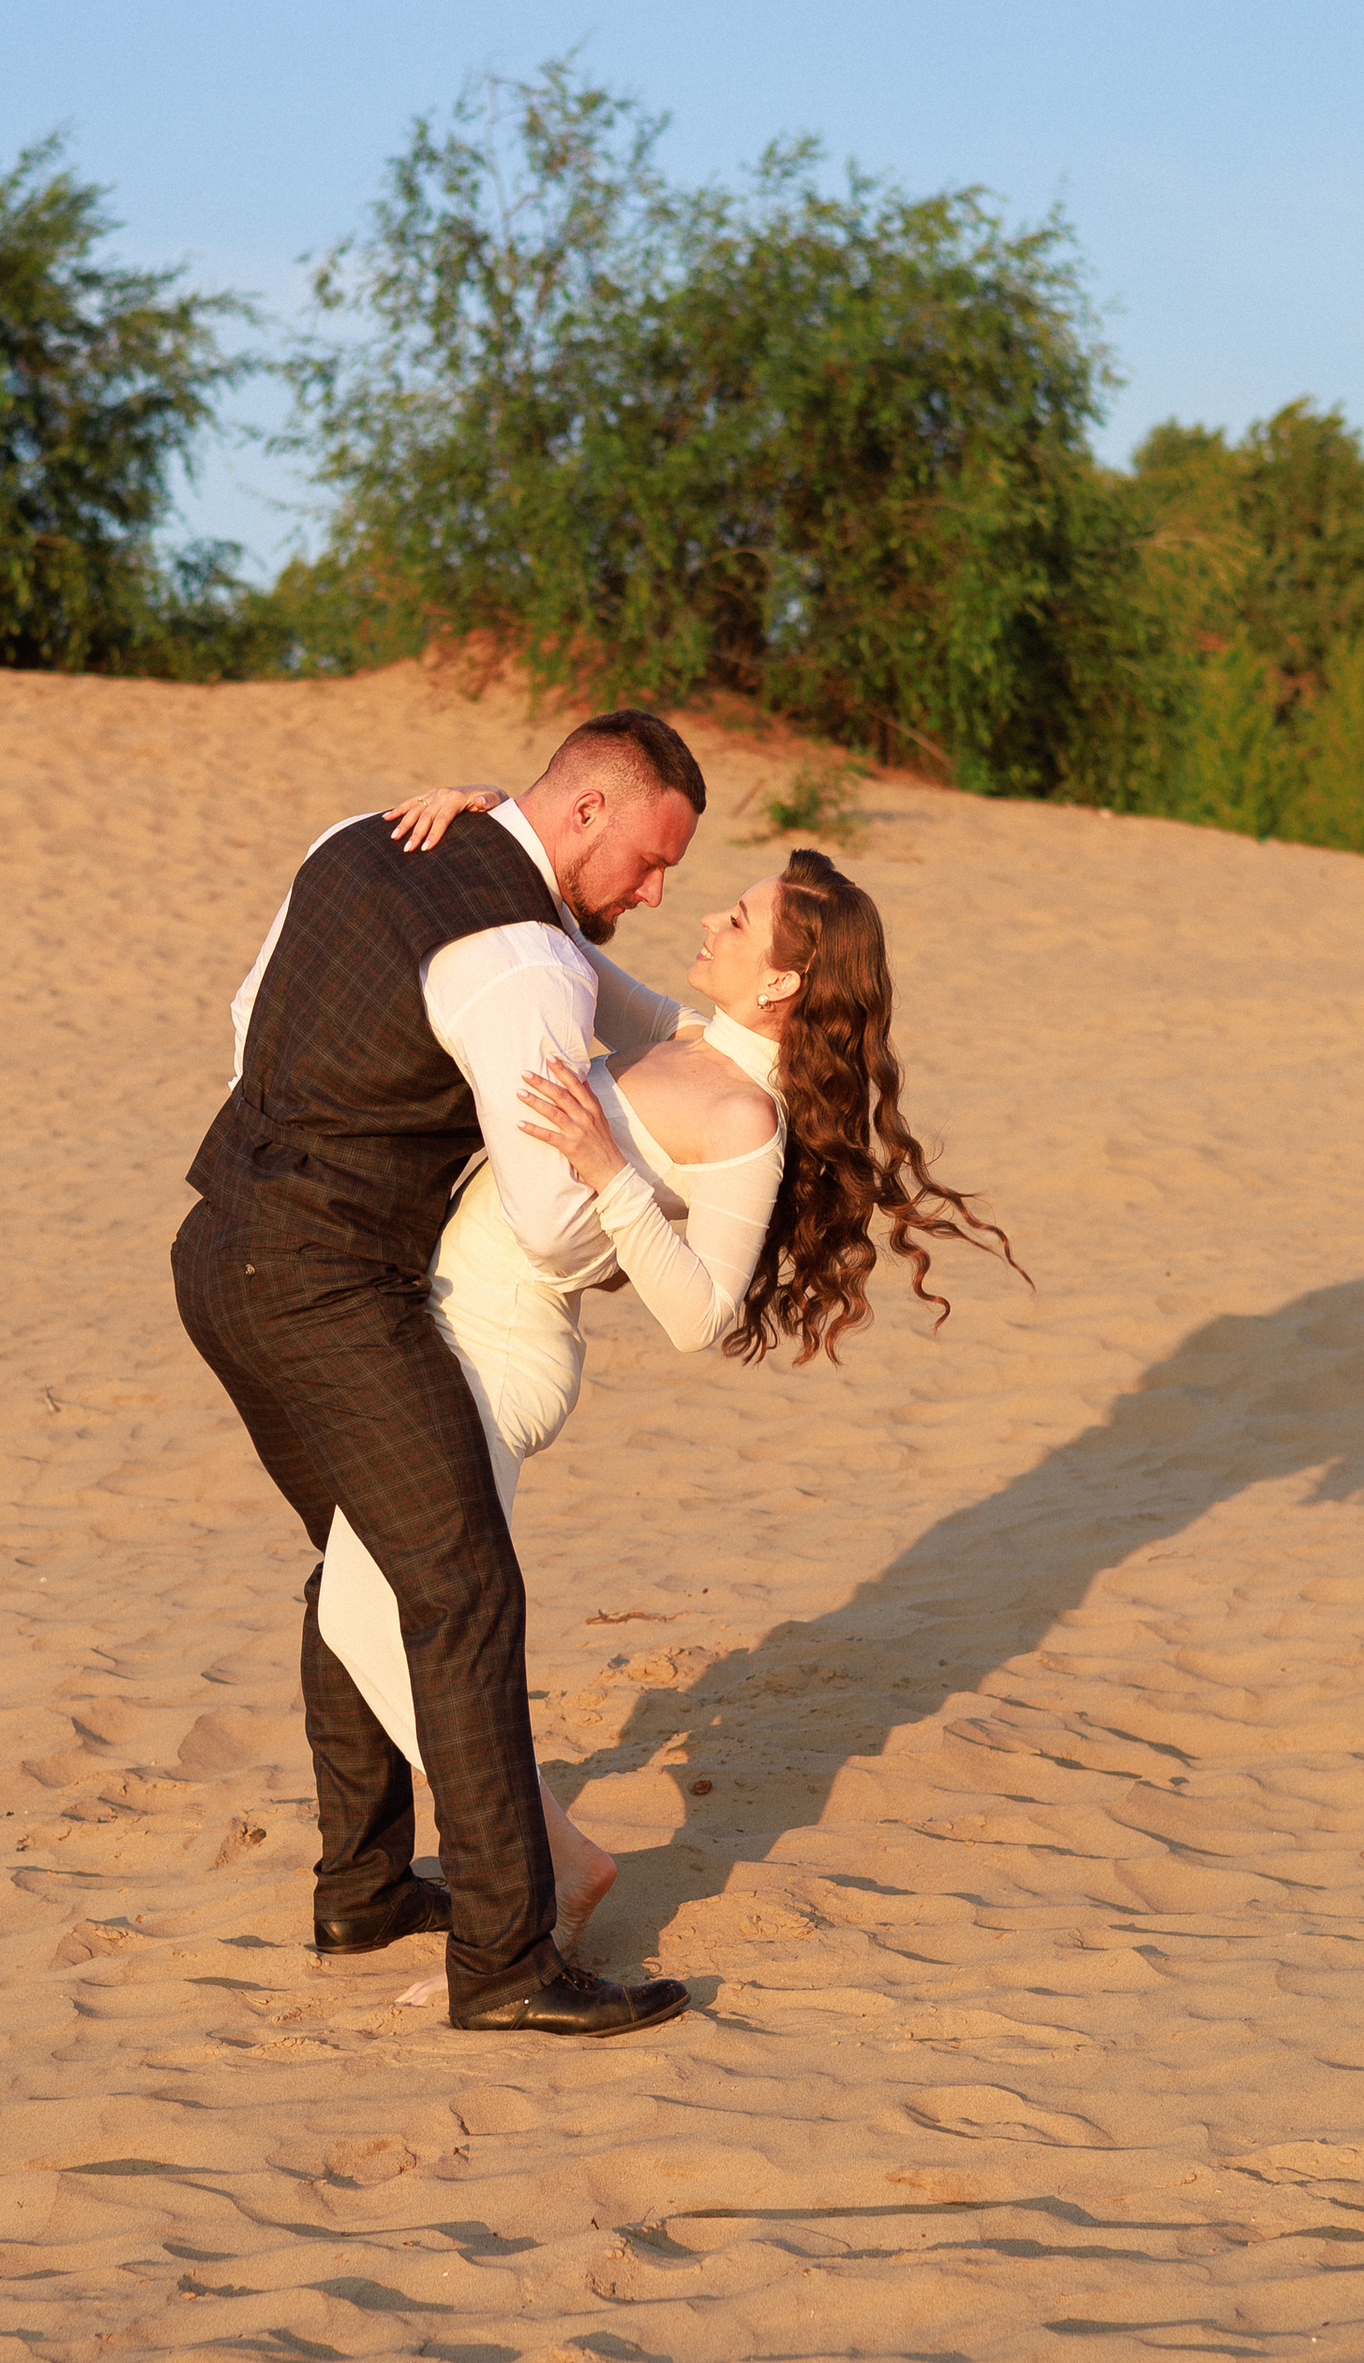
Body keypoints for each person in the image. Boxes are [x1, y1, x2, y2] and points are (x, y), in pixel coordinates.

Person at [319, 792, 1018, 1944]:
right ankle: (545, 1860)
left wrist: (607, 1175)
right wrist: (486, 813)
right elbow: (558, 947)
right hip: (444, 1325)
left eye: (738, 921)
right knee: (359, 1615)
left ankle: (544, 1881)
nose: (708, 919)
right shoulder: (678, 1040)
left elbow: (702, 1313)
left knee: (402, 1622)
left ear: (783, 985)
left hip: (503, 1357)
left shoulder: (743, 1117)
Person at [172, 710, 711, 2038]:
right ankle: (508, 1962)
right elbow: (547, 1222)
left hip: (217, 1250)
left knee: (365, 1556)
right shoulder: (527, 957)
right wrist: (628, 1192)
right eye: (646, 863)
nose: (651, 893)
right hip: (330, 1288)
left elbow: (250, 1027)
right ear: (583, 811)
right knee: (462, 1587)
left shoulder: (360, 839)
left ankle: (361, 1887)